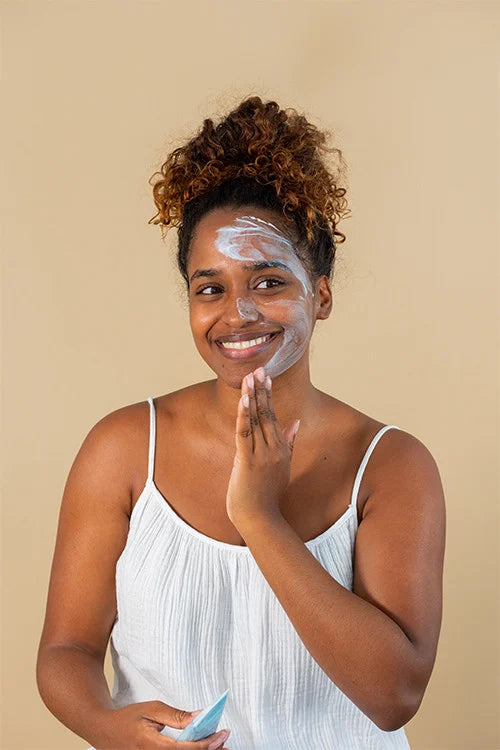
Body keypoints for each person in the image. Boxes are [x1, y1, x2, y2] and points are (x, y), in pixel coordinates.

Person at [36, 95, 446, 750]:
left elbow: (393, 694)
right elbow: (66, 649)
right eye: (210, 288)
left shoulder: (392, 466)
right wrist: (109, 726)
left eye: (268, 282)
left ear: (322, 294)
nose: (237, 314)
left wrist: (260, 517)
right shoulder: (121, 450)